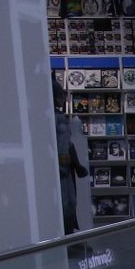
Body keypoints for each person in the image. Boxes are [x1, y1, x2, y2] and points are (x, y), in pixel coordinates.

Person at [54, 85, 88, 235]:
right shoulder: (57, 119)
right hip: (61, 170)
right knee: (66, 205)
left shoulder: (58, 117)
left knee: (69, 204)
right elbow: (65, 146)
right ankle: (66, 240)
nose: (64, 99)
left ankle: (68, 238)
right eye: (61, 96)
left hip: (64, 168)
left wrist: (77, 165)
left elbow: (68, 144)